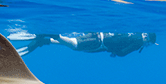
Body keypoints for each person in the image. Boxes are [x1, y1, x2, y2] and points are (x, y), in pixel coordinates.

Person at [11, 32, 157, 57]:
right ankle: (54, 35)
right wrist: (114, 51)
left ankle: (45, 41)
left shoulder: (135, 33)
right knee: (74, 45)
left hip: (97, 34)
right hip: (99, 43)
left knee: (74, 44)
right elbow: (122, 53)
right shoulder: (139, 42)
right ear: (148, 40)